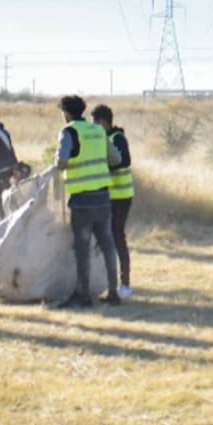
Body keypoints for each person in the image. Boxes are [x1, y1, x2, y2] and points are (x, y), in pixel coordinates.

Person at [49, 95, 122, 307]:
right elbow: (116, 158)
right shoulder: (98, 130)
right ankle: (113, 292)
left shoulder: (69, 131)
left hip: (82, 200)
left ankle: (83, 295)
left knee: (82, 248)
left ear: (67, 112)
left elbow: (61, 162)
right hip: (103, 197)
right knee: (108, 245)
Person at [92, 104, 135, 298]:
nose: (94, 126)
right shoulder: (102, 139)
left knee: (117, 237)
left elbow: (125, 160)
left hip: (121, 196)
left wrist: (104, 166)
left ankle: (125, 285)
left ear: (104, 121)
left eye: (96, 122)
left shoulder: (117, 138)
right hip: (108, 196)